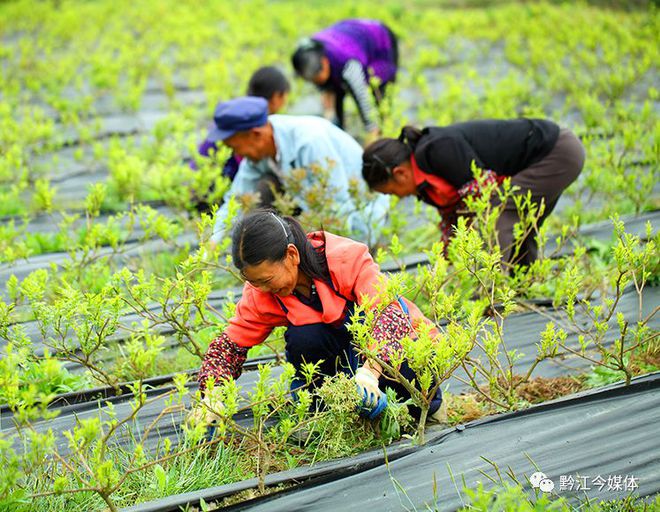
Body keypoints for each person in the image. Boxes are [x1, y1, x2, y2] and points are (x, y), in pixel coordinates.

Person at [196, 210, 445, 423]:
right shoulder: (261, 293)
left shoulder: (343, 258)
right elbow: (228, 346)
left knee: (411, 383)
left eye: (267, 279)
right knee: (305, 337)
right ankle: (335, 414)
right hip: (347, 369)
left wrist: (370, 372)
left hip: (397, 354)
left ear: (292, 256)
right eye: (254, 282)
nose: (262, 289)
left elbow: (389, 315)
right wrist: (212, 393)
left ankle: (424, 412)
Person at [361, 119, 586, 265]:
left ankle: (494, 290)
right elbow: (456, 217)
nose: (399, 198)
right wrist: (446, 255)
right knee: (519, 223)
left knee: (497, 212)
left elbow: (481, 196)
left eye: (392, 192)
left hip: (556, 151)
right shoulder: (424, 185)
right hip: (545, 158)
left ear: (400, 174)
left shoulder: (436, 150)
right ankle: (520, 287)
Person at [207, 96, 389, 246]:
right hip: (315, 212)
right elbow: (235, 200)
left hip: (359, 217)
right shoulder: (260, 151)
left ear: (256, 135)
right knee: (262, 189)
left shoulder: (309, 142)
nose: (236, 154)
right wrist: (211, 244)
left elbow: (338, 205)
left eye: (235, 147)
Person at [292, 19, 398, 138]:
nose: (316, 82)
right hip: (348, 34)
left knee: (380, 95)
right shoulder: (307, 53)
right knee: (336, 94)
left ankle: (386, 134)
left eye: (317, 77)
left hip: (377, 37)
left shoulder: (349, 65)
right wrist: (330, 119)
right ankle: (340, 134)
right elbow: (328, 94)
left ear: (325, 62)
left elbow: (363, 99)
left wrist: (372, 133)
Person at [191, 66, 290, 190]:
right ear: (277, 97)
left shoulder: (239, 113)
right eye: (285, 96)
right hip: (213, 185)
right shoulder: (249, 124)